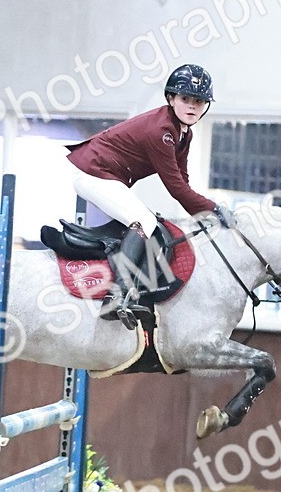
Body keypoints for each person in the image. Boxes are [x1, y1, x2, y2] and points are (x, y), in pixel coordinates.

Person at [65, 64, 234, 328]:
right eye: (185, 98)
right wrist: (213, 209)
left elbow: (183, 181)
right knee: (144, 221)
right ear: (170, 98)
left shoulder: (183, 134)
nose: (192, 106)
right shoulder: (162, 132)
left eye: (199, 101)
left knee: (145, 221)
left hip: (104, 174)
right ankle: (117, 296)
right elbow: (176, 188)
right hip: (92, 171)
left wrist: (203, 214)